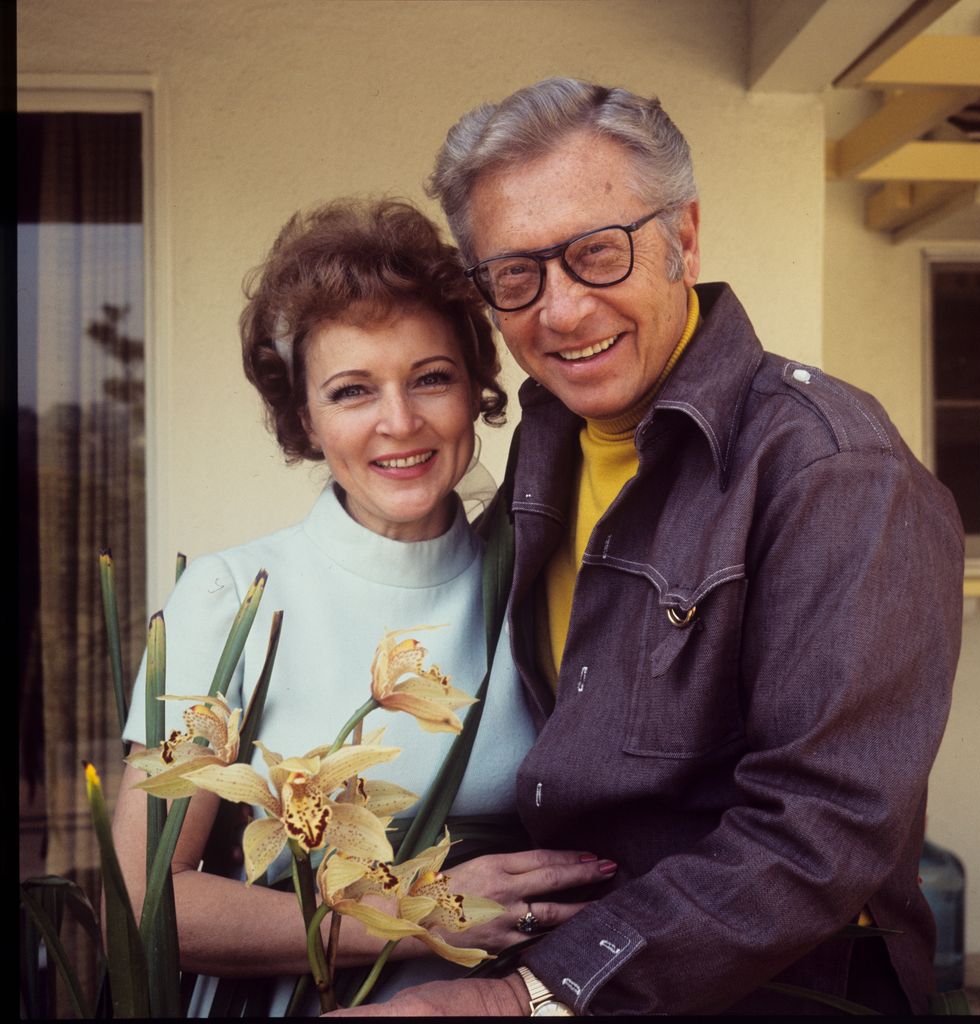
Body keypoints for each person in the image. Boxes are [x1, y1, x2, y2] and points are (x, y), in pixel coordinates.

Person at [325, 78, 965, 1017]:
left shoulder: (831, 471)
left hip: (779, 989)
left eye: (597, 253)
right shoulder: (545, 444)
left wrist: (523, 1000)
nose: (563, 311)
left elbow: (818, 835)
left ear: (684, 238)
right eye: (516, 274)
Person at [111, 197, 615, 1016]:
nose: (399, 422)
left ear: (478, 390)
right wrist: (415, 914)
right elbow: (137, 903)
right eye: (352, 391)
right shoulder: (228, 599)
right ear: (303, 419)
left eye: (431, 378)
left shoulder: (539, 581)